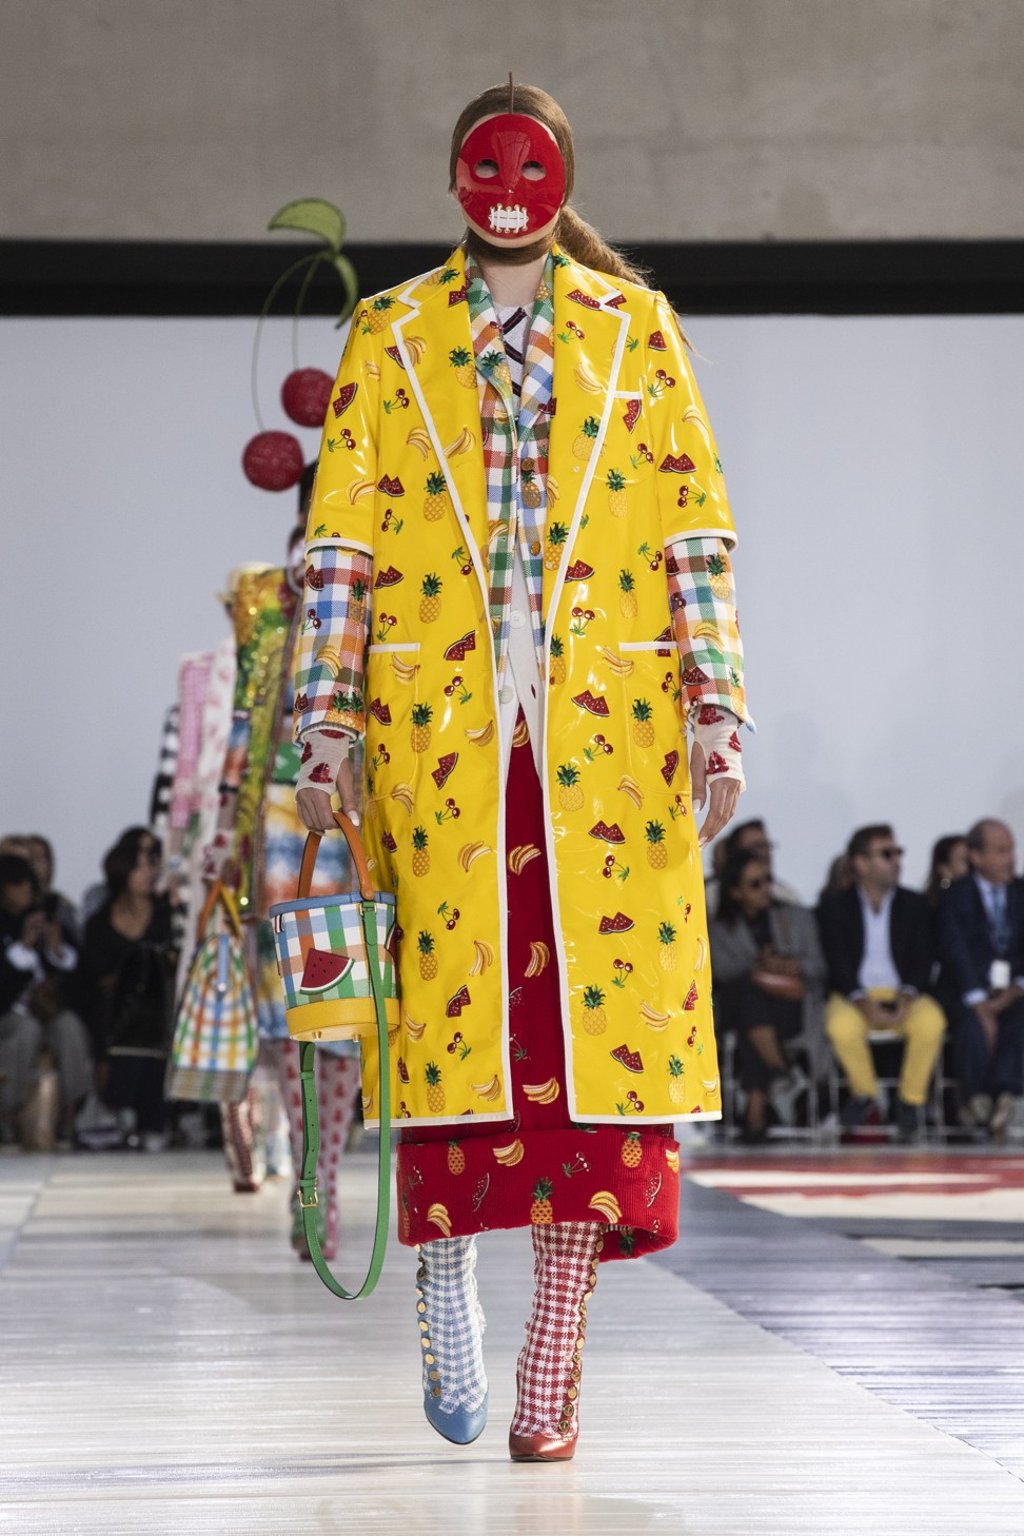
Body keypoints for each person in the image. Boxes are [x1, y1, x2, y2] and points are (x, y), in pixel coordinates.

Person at [293, 81, 750, 1460]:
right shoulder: (392, 332)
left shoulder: (635, 328)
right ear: (453, 179)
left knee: (586, 1052)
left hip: (606, 740)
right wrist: (326, 723)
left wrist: (717, 710)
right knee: (450, 1026)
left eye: (529, 165)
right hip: (439, 740)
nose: (506, 190)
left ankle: (554, 1350)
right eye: (484, 167)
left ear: (563, 177)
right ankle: (444, 1287)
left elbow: (693, 533)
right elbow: (340, 546)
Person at [202, 475, 361, 1239]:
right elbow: (245, 717)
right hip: (272, 825)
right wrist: (222, 834)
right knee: (284, 1020)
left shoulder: (382, 589)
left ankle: (322, 1180)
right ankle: (307, 1175)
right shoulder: (266, 599)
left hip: (354, 823)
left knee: (343, 1014)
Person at [817, 825, 945, 1139]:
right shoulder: (836, 906)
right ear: (861, 863)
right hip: (854, 995)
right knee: (840, 1026)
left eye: (897, 853)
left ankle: (910, 1101)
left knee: (931, 1021)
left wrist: (907, 996)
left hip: (903, 994)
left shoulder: (915, 904)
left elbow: (923, 958)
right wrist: (860, 1000)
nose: (897, 861)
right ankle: (866, 1095)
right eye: (887, 854)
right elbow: (836, 961)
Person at [709, 848, 826, 1140]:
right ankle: (780, 1077)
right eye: (755, 884)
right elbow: (720, 971)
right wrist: (759, 965)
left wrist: (791, 965)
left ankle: (758, 1107)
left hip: (792, 1008)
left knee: (748, 1015)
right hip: (750, 1008)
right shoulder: (721, 929)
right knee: (746, 995)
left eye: (767, 880)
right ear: (735, 892)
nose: (765, 889)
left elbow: (820, 967)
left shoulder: (795, 918)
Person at [81, 828, 177, 1150]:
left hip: (163, 1015)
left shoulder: (169, 916)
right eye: (140, 865)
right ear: (123, 869)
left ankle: (156, 1119)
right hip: (113, 1021)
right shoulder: (99, 924)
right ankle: (118, 1112)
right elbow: (90, 986)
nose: (149, 873)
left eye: (153, 863)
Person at [938, 818, 1024, 1139]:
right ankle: (978, 1100)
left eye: (1011, 850)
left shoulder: (1021, 892)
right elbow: (954, 949)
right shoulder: (955, 896)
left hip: (1014, 990)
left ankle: (1005, 1094)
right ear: (976, 856)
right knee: (972, 1024)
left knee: (1018, 1021)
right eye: (1001, 851)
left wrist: (1015, 990)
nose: (1010, 859)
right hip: (967, 989)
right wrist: (979, 1001)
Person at [0, 852, 93, 1145]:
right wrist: (23, 950)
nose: (25, 889)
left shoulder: (46, 915)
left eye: (28, 882)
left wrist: (56, 951)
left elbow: (81, 984)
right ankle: (7, 1113)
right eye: (17, 883)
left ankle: (70, 1112)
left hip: (45, 1011)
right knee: (24, 1029)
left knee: (69, 1026)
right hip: (9, 1015)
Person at [705, 817, 799, 916]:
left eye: (766, 846)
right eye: (757, 846)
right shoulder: (708, 896)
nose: (765, 853)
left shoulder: (786, 897)